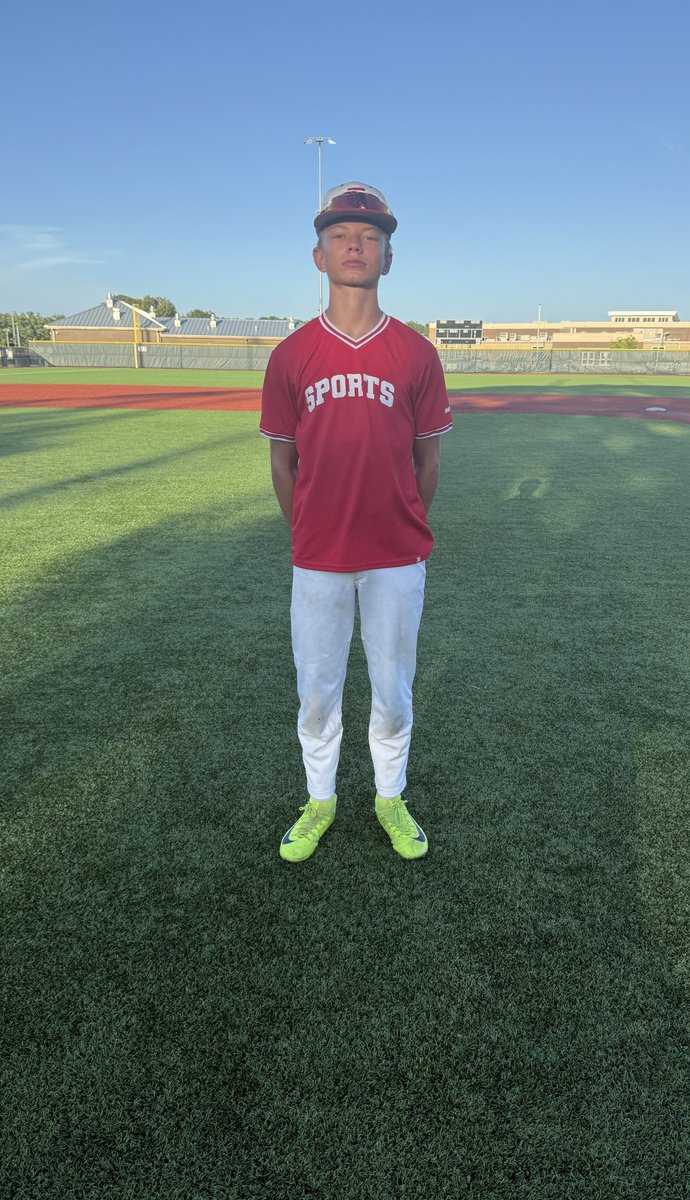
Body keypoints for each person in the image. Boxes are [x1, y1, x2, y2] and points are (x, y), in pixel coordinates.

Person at [259, 182, 452, 863]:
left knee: (393, 691)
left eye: (370, 236)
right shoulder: (290, 355)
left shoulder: (417, 353)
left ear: (388, 258)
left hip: (396, 554)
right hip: (318, 555)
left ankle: (389, 796)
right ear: (318, 256)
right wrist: (309, 528)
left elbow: (428, 460)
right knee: (317, 691)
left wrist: (400, 522)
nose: (355, 245)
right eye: (340, 235)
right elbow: (282, 463)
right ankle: (320, 800)